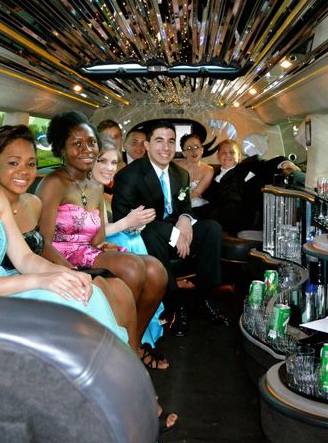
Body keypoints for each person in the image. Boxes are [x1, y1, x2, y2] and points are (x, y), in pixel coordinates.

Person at [0, 97, 126, 342]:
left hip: (3, 288)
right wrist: (40, 281)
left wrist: (65, 274)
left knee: (85, 293)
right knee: (64, 312)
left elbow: (24, 258)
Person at [36, 111, 170, 369]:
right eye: (77, 143)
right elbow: (42, 242)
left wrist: (106, 246)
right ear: (61, 149)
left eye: (91, 142)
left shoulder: (95, 186)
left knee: (156, 270)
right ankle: (120, 352)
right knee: (132, 266)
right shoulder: (53, 183)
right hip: (61, 258)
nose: (87, 149)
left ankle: (131, 343)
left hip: (88, 252)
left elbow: (96, 239)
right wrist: (71, 273)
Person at [0, 124, 136, 341]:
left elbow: (30, 255)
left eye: (31, 164)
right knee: (90, 295)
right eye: (13, 163)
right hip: (4, 288)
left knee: (111, 290)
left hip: (34, 273)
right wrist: (61, 274)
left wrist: (69, 273)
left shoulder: (32, 204)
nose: (24, 171)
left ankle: (129, 352)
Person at [112, 119, 230, 337]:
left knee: (212, 228)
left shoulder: (180, 174)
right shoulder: (129, 176)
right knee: (153, 231)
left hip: (176, 232)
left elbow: (185, 207)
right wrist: (172, 233)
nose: (165, 147)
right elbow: (123, 218)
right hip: (146, 236)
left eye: (171, 141)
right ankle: (175, 305)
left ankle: (203, 298)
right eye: (159, 141)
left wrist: (185, 218)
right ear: (147, 145)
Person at [90, 135, 166, 348]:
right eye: (102, 161)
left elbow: (101, 229)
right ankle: (124, 339)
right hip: (83, 251)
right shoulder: (84, 189)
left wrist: (133, 223)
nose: (109, 168)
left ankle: (137, 337)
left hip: (103, 243)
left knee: (141, 249)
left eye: (113, 162)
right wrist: (126, 223)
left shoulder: (99, 190)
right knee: (130, 242)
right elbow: (93, 234)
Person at [203, 139, 301, 234]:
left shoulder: (248, 166)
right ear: (218, 156)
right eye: (223, 153)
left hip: (242, 216)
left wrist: (284, 162)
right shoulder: (210, 174)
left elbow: (266, 165)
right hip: (217, 216)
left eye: (232, 152)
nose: (227, 155)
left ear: (239, 156)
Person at [174, 132, 213, 214]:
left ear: (202, 150)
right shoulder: (175, 166)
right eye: (188, 148)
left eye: (196, 147)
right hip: (177, 205)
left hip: (198, 207)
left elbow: (196, 193)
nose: (193, 151)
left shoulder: (209, 170)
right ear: (184, 153)